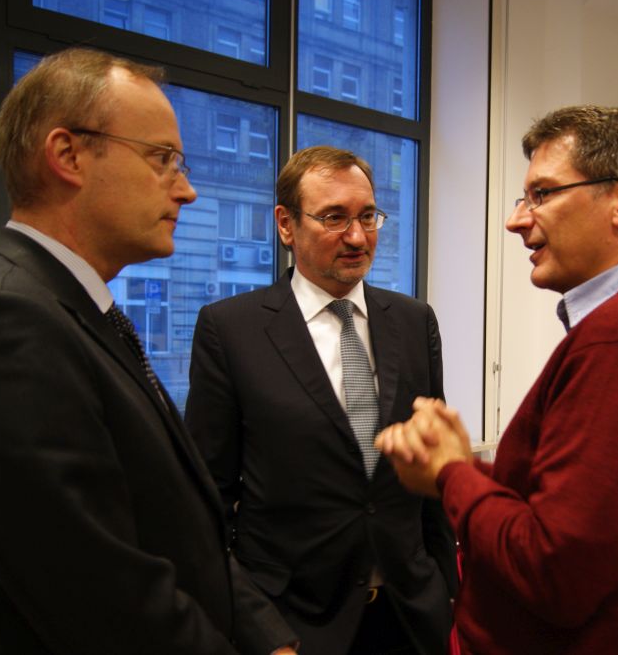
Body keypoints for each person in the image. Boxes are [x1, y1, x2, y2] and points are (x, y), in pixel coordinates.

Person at [0, 47, 297, 654]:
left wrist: (271, 641)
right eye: (162, 159)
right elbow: (110, 606)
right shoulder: (3, 326)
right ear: (68, 155)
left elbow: (184, 536)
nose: (188, 190)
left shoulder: (74, 310)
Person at [376, 105, 618, 653]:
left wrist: (452, 476)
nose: (516, 220)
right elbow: (594, 513)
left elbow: (556, 570)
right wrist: (463, 469)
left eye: (542, 194)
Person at [185, 146, 457, 655]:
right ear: (286, 225)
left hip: (411, 617)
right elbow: (207, 505)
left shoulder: (414, 321)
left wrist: (447, 591)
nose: (357, 237)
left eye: (367, 216)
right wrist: (259, 632)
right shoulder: (231, 330)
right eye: (334, 218)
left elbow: (433, 474)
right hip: (293, 624)